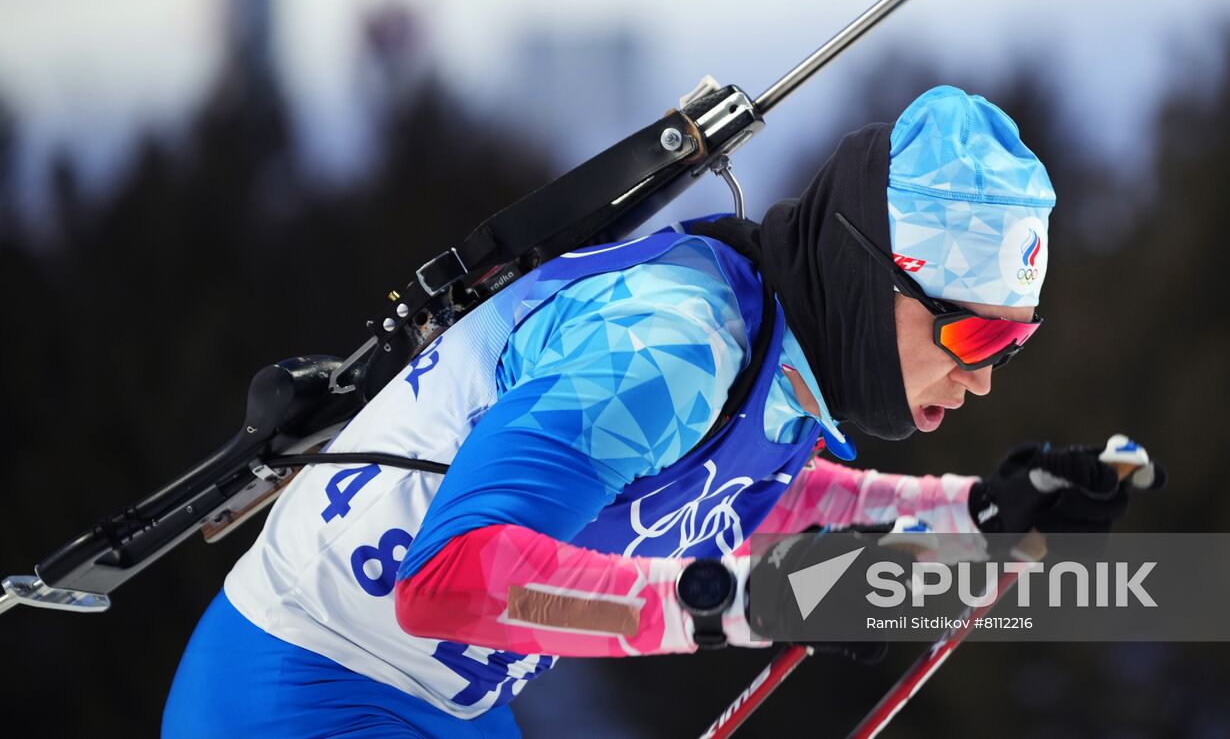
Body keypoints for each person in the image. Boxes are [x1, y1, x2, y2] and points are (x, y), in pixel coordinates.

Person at [162, 85, 1152, 738]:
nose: (983, 378)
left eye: (1010, 347)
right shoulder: (670, 346)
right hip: (299, 690)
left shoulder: (771, 351)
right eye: (972, 337)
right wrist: (746, 604)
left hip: (440, 704)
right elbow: (452, 579)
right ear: (871, 275)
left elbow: (736, 500)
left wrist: (975, 513)